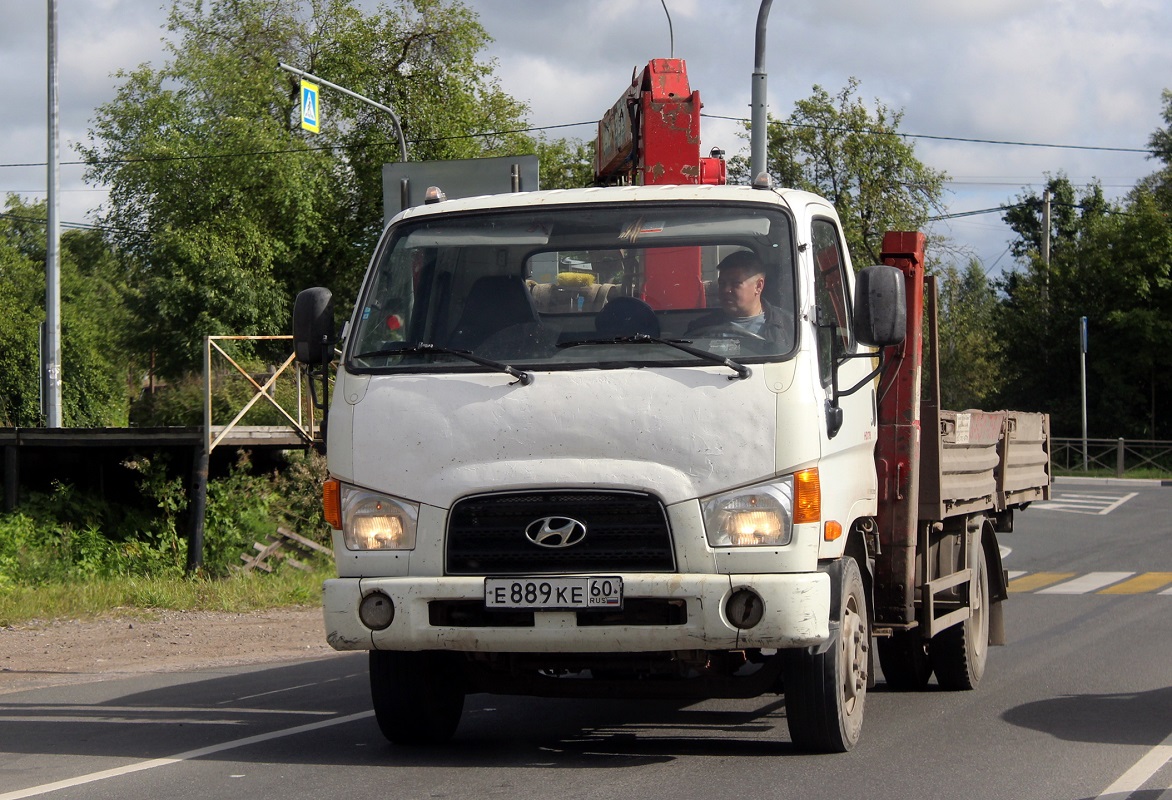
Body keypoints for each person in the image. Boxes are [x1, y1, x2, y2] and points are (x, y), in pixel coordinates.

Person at [686, 251, 792, 348]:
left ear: (758, 286)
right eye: (722, 283)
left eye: (735, 283)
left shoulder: (788, 326)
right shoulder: (699, 328)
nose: (726, 290)